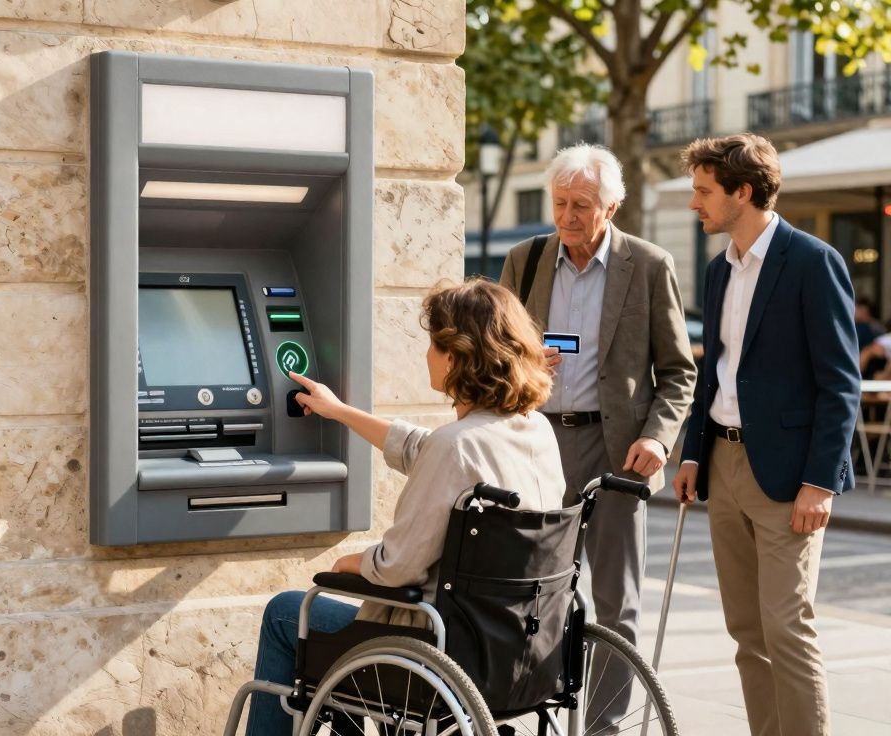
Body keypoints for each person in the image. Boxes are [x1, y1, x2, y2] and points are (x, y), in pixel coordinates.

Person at [244, 280, 566, 736]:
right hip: (515, 649)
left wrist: (351, 562)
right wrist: (340, 411)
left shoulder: (456, 448)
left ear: (454, 355)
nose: (426, 356)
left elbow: (397, 567)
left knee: (285, 610)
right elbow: (426, 448)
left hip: (433, 649)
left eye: (433, 345)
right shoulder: (535, 431)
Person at [498, 143, 696, 726]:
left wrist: (659, 439)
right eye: (559, 203)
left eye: (581, 204)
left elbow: (680, 372)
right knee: (525, 592)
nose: (566, 217)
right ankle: (524, 712)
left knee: (616, 603)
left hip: (617, 454)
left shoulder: (650, 265)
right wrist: (525, 364)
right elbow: (498, 352)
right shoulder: (525, 260)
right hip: (535, 446)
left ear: (611, 206)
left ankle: (604, 726)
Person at [672, 134, 859, 736]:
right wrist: (693, 454)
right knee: (746, 630)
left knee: (786, 626)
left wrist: (818, 482)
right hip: (722, 466)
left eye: (704, 191)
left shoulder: (812, 262)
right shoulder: (717, 270)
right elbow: (715, 371)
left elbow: (840, 384)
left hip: (788, 475)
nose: (695, 203)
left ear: (742, 192)